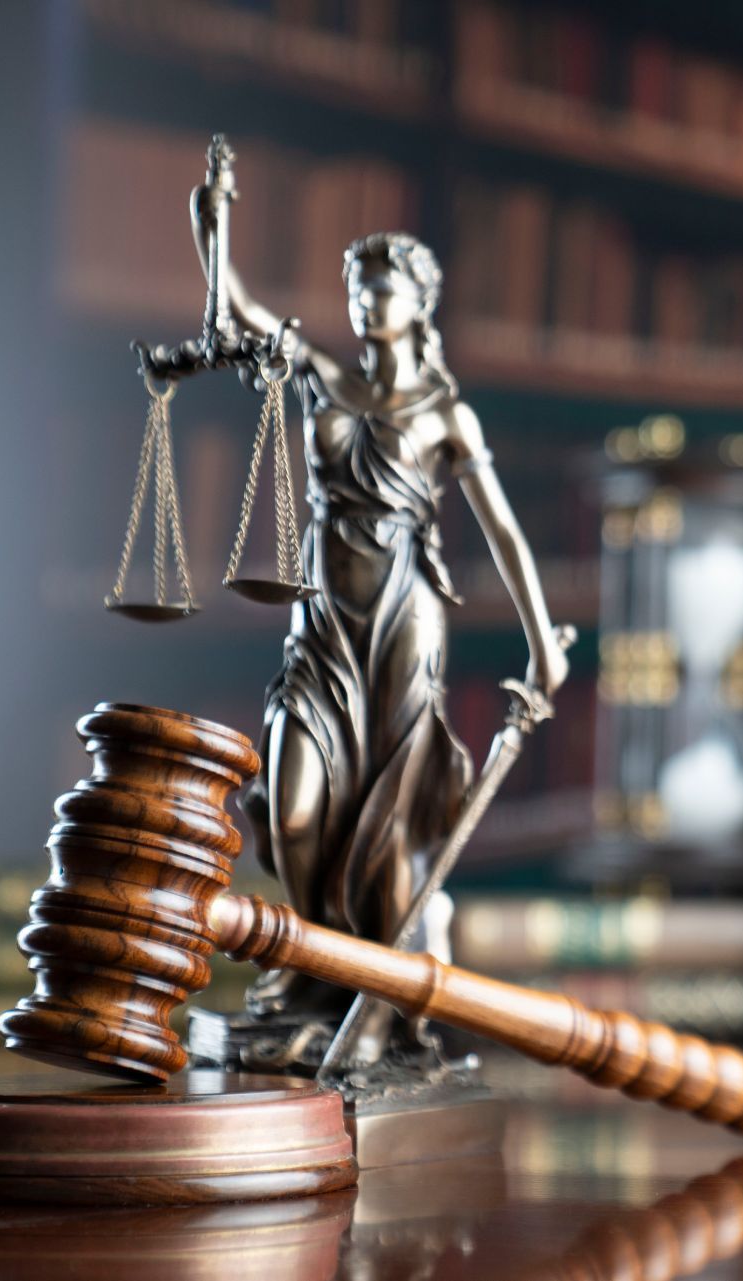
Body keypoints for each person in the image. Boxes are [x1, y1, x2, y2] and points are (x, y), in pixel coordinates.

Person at [192, 181, 570, 1067]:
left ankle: (377, 995)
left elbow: (503, 531)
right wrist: (214, 229)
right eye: (358, 287)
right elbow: (237, 311)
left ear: (420, 301)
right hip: (323, 621)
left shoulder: (445, 414)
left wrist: (541, 641)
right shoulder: (327, 378)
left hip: (404, 616)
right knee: (295, 811)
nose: (367, 300)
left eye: (384, 286)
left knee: (389, 820)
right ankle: (314, 973)